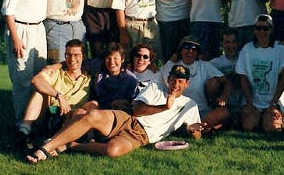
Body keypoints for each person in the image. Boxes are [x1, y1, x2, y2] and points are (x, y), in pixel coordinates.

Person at [25, 64, 202, 163]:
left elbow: (197, 135)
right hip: (128, 119)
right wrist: (165, 106)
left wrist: (194, 131)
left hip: (142, 136)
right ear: (168, 78)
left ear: (186, 84)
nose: (175, 84)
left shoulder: (190, 105)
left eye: (180, 81)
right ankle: (45, 149)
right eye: (173, 79)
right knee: (92, 115)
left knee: (113, 150)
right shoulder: (155, 87)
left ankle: (70, 145)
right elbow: (137, 110)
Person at [14, 39, 91, 151]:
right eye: (68, 55)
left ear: (83, 56)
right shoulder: (57, 72)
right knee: (39, 93)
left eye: (76, 55)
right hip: (53, 110)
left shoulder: (89, 76)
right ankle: (23, 132)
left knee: (80, 113)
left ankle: (50, 142)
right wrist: (59, 96)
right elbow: (36, 80)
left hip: (72, 115)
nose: (72, 58)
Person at [2, 0, 48, 123]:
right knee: (22, 80)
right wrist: (16, 39)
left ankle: (37, 121)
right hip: (20, 30)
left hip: (38, 29)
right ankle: (22, 125)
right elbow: (8, 12)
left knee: (40, 77)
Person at [160, 36, 232, 132]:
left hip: (202, 110)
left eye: (194, 48)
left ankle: (197, 126)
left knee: (224, 112)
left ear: (198, 52)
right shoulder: (172, 66)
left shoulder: (204, 65)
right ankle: (204, 128)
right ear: (180, 50)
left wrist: (224, 97)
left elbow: (227, 82)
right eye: (186, 47)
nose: (190, 51)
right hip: (179, 110)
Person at [236, 14, 284, 132]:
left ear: (271, 30)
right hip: (254, 101)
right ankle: (260, 117)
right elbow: (243, 77)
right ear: (254, 30)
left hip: (275, 100)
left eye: (265, 28)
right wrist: (249, 103)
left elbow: (283, 78)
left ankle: (269, 117)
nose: (262, 31)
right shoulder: (247, 49)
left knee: (273, 128)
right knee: (247, 126)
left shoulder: (281, 49)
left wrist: (273, 103)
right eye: (258, 28)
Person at [210, 28, 247, 128]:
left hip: (243, 99)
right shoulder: (214, 63)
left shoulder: (245, 58)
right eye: (227, 42)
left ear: (238, 43)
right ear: (222, 44)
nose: (230, 45)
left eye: (233, 42)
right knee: (211, 82)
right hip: (224, 101)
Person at [88, 43, 139, 112]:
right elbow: (95, 99)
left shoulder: (130, 79)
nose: (111, 62)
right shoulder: (99, 77)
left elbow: (134, 103)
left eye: (115, 58)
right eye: (108, 58)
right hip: (101, 113)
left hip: (121, 114)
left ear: (122, 59)